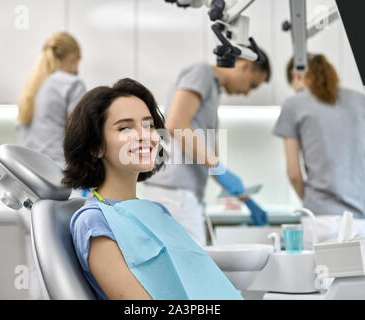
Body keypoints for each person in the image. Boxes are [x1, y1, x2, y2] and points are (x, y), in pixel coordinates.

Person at [65, 78, 242, 300]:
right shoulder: (94, 222)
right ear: (96, 146)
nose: (145, 136)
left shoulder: (157, 212)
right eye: (125, 127)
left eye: (148, 125)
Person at [142, 53, 271, 246]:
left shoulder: (212, 89)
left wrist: (245, 199)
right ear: (245, 64)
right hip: (174, 193)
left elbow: (208, 153)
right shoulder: (202, 72)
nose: (247, 93)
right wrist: (219, 169)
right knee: (194, 266)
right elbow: (176, 124)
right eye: (252, 85)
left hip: (180, 193)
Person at [273, 54, 365, 250]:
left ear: (298, 75)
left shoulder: (293, 105)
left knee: (318, 280)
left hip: (322, 221)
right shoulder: (362, 102)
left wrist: (311, 200)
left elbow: (294, 174)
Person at [18, 31, 86, 169]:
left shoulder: (32, 85)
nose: (77, 69)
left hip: (28, 171)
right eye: (78, 60)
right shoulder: (72, 84)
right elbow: (80, 132)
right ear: (73, 57)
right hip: (57, 171)